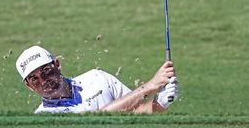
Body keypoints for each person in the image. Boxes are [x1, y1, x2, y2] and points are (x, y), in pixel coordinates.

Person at [16, 45, 178, 114]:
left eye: (45, 70)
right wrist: (150, 86)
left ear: (57, 64)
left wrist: (161, 103)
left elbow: (135, 113)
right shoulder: (43, 117)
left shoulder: (96, 78)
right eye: (34, 79)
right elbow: (94, 121)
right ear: (29, 86)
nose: (43, 80)